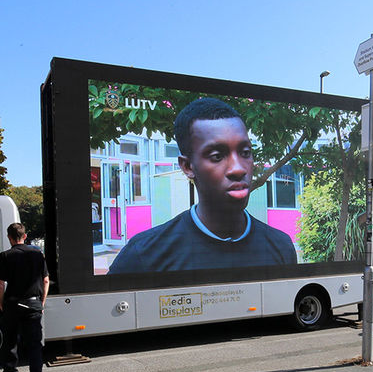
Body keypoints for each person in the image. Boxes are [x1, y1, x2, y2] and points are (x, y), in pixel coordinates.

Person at [108, 98, 296, 274]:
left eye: (245, 152)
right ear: (188, 167)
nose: (238, 169)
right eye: (217, 156)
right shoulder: (143, 256)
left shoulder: (280, 247)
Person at [0, 223, 49, 372]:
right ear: (24, 236)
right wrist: (41, 302)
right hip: (33, 305)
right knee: (34, 345)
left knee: (10, 342)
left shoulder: (5, 256)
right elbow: (46, 280)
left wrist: (2, 304)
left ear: (9, 237)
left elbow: (1, 284)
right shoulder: (37, 255)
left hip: (12, 305)